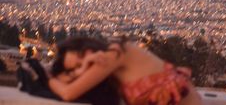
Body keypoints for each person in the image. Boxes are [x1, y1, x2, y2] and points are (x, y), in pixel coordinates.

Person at [49, 36, 202, 105]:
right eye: (75, 66)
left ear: (88, 45)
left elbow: (67, 93)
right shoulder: (109, 70)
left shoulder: (114, 53)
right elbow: (64, 80)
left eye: (82, 55)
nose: (84, 63)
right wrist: (81, 68)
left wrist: (43, 75)